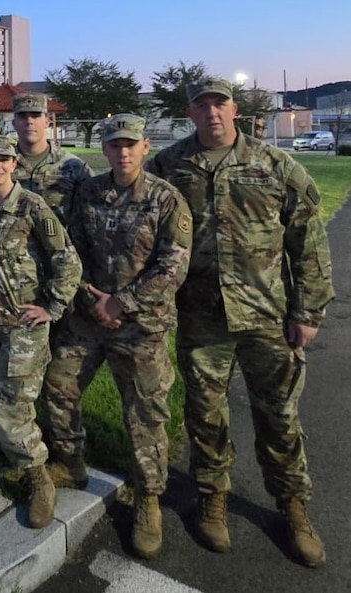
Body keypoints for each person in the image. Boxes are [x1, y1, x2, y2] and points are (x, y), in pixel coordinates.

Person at [147, 77, 334, 567]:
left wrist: (308, 312)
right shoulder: (168, 166)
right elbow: (142, 227)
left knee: (279, 415)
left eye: (220, 104)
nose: (212, 113)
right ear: (189, 112)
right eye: (202, 105)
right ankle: (213, 495)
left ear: (236, 110)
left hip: (266, 317)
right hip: (201, 317)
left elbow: (307, 241)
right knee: (206, 415)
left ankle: (292, 504)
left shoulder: (274, 165)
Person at [65, 114, 191, 557]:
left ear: (144, 148)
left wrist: (122, 303)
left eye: (130, 144)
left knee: (145, 414)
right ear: (105, 149)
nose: (123, 151)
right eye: (115, 144)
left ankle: (148, 497)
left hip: (142, 323)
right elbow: (71, 250)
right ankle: (72, 464)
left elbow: (173, 266)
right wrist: (92, 299)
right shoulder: (90, 191)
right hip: (90, 314)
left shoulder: (165, 199)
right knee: (58, 385)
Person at [0, 135, 82, 528]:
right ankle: (16, 457)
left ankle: (38, 479)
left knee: (11, 405)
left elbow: (67, 261)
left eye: (3, 160)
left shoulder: (32, 208)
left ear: (14, 166)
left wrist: (51, 307)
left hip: (24, 326)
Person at [0, 93, 95, 489]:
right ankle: (21, 446)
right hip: (16, 295)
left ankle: (68, 457)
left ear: (47, 121)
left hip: (62, 289)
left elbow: (86, 224)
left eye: (36, 115)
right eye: (22, 115)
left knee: (59, 380)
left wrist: (71, 288)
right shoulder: (1, 162)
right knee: (15, 377)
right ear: (12, 121)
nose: (29, 122)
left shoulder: (72, 167)